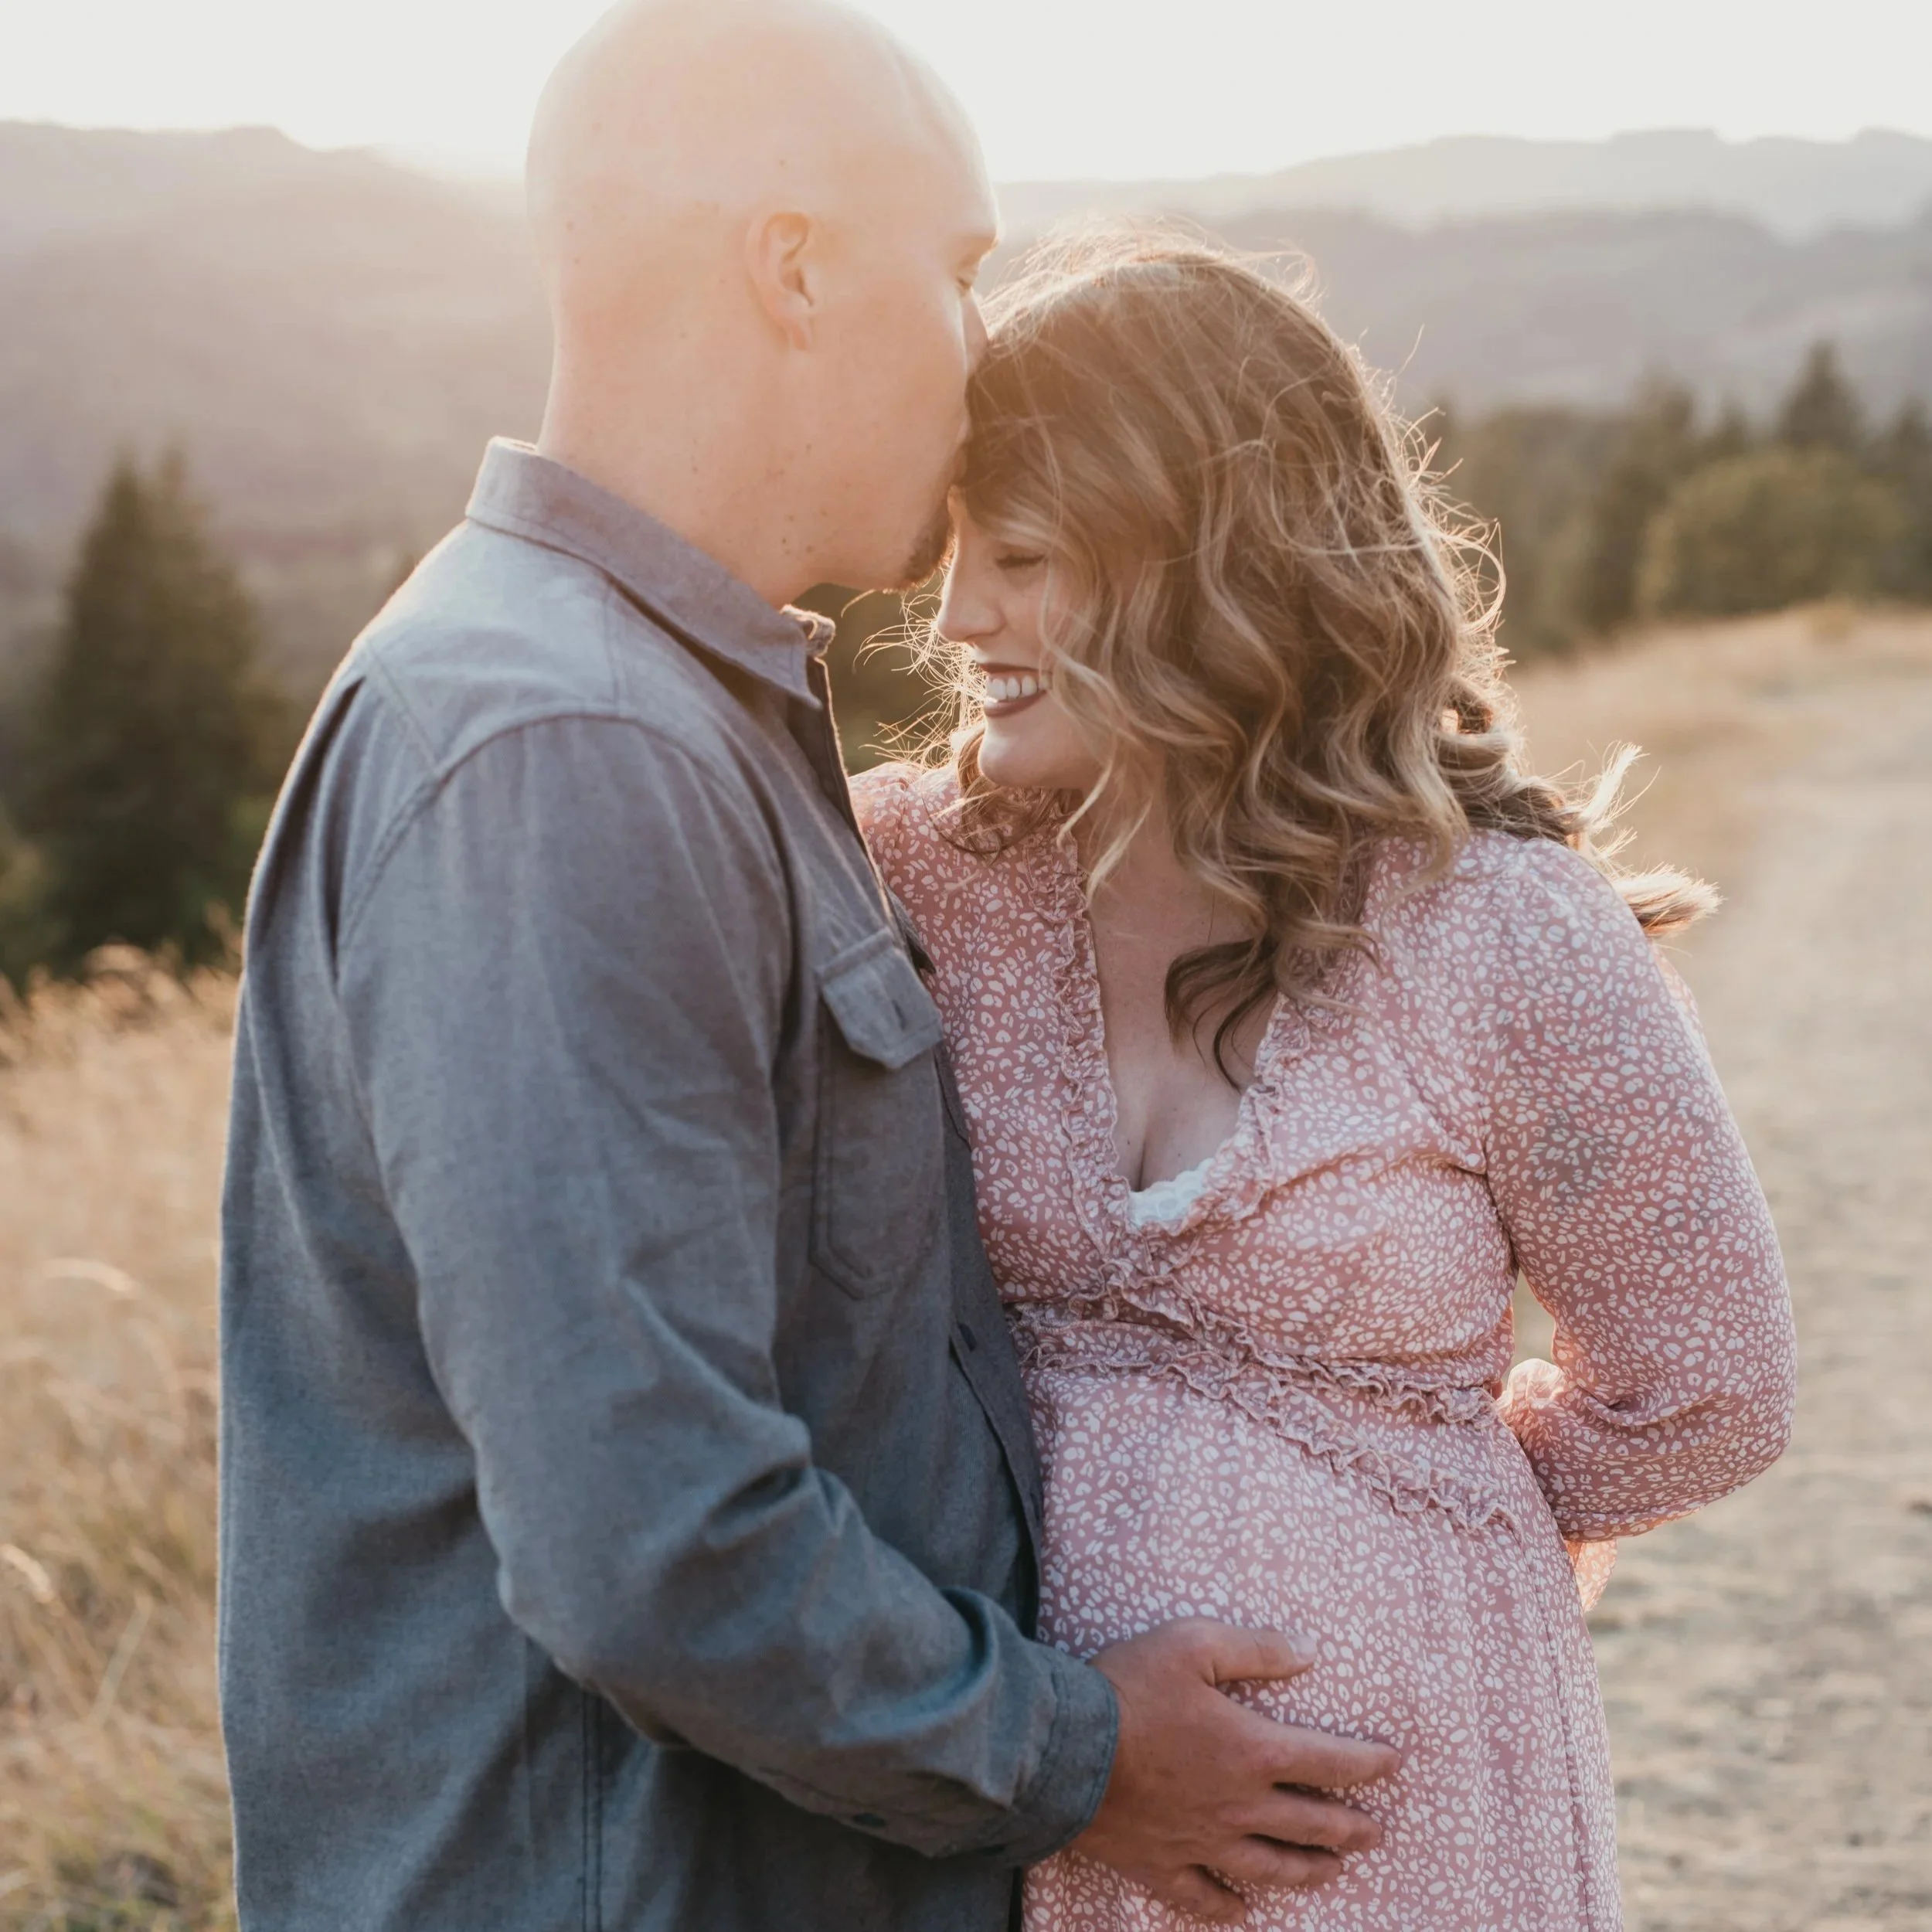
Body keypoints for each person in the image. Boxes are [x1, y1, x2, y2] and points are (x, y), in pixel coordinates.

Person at [216, 9, 1396, 1931]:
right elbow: (650, 1538)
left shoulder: (667, 709)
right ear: (792, 268)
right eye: (955, 272)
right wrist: (1079, 1753)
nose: (979, 347)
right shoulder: (560, 747)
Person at [852, 230, 1799, 1930]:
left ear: (1206, 562)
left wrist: (1395, 1528)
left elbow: (1708, 1379)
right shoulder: (920, 868)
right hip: (1021, 1812)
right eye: (946, 550)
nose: (954, 618)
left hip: (1387, 1833)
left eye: (1018, 554)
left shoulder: (1496, 929)